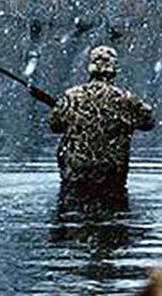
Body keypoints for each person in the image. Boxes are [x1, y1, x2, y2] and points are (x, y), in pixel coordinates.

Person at [50, 45, 155, 198]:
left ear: (89, 69)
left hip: (76, 176)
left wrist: (65, 109)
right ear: (114, 70)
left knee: (72, 215)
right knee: (114, 217)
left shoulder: (71, 96)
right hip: (111, 178)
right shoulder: (125, 99)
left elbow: (55, 126)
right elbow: (148, 123)